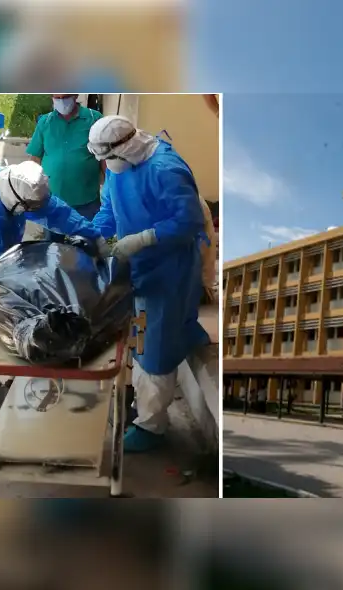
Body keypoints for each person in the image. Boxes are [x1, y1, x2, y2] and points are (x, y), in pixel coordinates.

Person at [0, 161, 108, 450]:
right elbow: (5, 271)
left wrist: (94, 236)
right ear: (17, 201)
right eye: (29, 208)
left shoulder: (19, 184)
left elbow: (57, 212)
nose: (35, 210)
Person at [86, 115, 211, 453]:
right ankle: (141, 398)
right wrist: (94, 237)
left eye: (108, 159)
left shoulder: (165, 169)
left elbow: (187, 221)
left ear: (124, 148)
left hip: (170, 268)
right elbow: (109, 209)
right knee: (140, 337)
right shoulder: (119, 166)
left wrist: (144, 238)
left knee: (155, 348)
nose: (107, 166)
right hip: (138, 265)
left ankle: (152, 425)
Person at [26, 94, 104, 220]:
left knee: (89, 232)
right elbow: (35, 159)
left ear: (75, 95)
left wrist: (108, 189)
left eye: (66, 97)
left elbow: (105, 158)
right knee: (52, 233)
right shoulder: (45, 122)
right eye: (57, 98)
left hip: (87, 200)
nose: (62, 101)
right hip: (52, 201)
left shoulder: (94, 119)